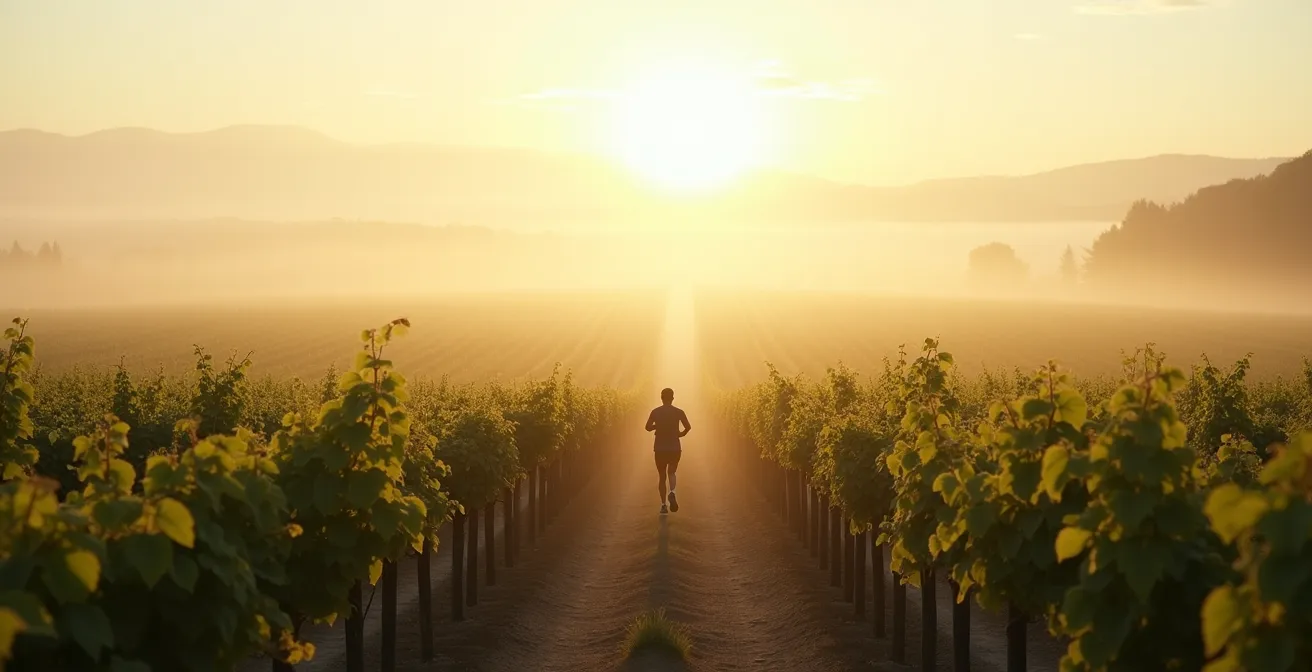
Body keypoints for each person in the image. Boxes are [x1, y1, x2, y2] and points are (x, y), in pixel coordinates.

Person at [646, 387, 690, 514]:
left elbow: (647, 427)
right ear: (672, 398)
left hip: (660, 447)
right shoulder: (679, 412)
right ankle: (672, 492)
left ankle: (663, 505)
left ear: (661, 398)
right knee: (672, 472)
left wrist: (657, 426)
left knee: (661, 476)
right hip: (674, 447)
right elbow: (688, 427)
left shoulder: (655, 412)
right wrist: (680, 434)